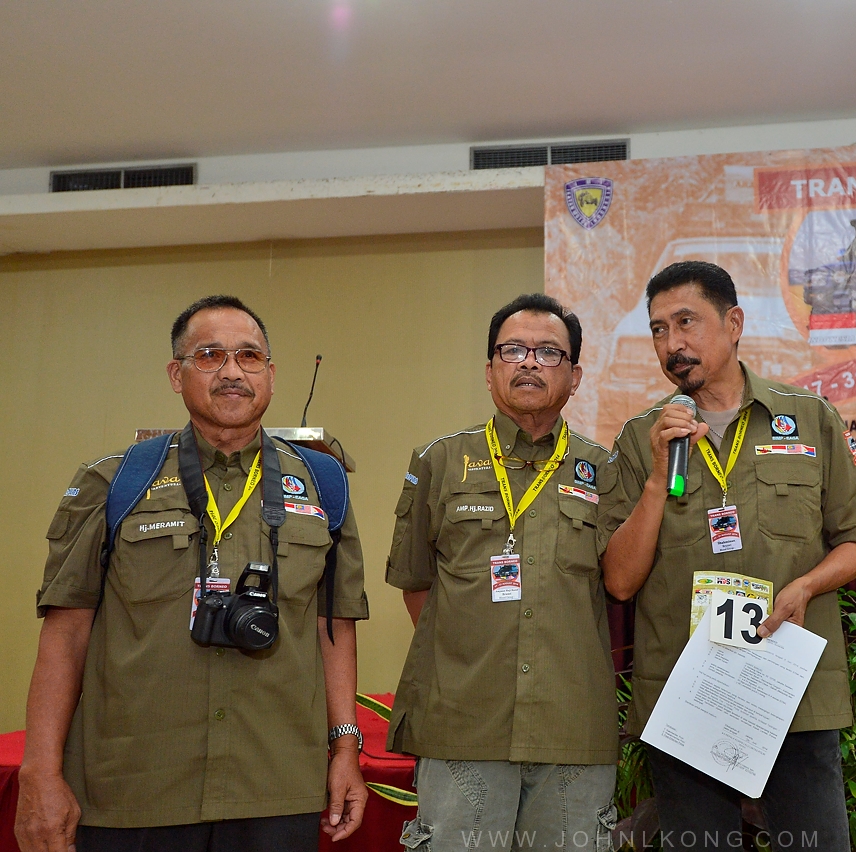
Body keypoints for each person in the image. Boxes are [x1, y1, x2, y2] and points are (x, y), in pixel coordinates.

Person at [17, 296, 369, 852]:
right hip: (132, 790)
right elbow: (65, 634)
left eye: (249, 356)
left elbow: (334, 626)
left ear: (271, 375)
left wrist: (345, 748)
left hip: (275, 787)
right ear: (176, 375)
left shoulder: (322, 484)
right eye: (209, 355)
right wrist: (39, 771)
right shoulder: (113, 483)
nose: (232, 371)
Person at [599, 261, 856, 852]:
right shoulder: (640, 438)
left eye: (686, 322)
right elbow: (621, 582)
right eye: (658, 329)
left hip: (791, 690)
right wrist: (657, 477)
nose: (672, 343)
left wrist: (807, 585)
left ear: (733, 323)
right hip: (688, 693)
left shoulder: (808, 417)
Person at [386, 294, 618, 852]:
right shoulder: (439, 461)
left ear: (575, 376)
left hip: (572, 730)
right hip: (462, 725)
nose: (529, 362)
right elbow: (417, 585)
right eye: (512, 350)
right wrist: (474, 658)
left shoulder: (605, 470)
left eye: (549, 352)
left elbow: (622, 585)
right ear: (489, 371)